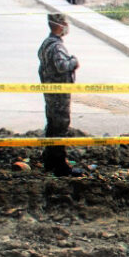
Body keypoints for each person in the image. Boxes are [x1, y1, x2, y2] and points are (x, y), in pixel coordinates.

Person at [38, 13, 80, 176]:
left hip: (50, 93)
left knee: (52, 125)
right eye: (64, 23)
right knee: (60, 126)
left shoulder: (46, 43)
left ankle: (49, 160)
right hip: (59, 95)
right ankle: (60, 166)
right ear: (59, 26)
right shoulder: (56, 46)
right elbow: (62, 65)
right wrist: (73, 62)